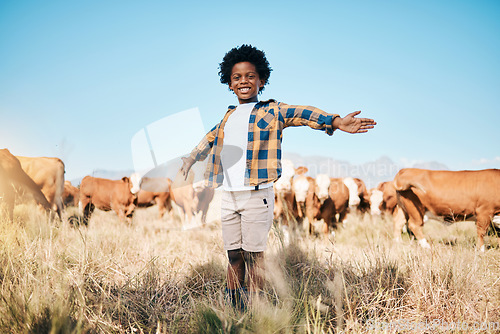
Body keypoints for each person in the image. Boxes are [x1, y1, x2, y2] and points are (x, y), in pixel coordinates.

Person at [180, 44, 376, 310]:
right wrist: (191, 158)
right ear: (229, 83)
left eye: (250, 76)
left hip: (257, 194)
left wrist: (335, 121)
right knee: (233, 255)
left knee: (253, 256)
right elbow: (210, 138)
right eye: (237, 77)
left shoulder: (272, 111)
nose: (244, 81)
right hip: (229, 195)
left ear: (261, 80)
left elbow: (302, 113)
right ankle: (232, 308)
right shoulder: (227, 117)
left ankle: (256, 309)